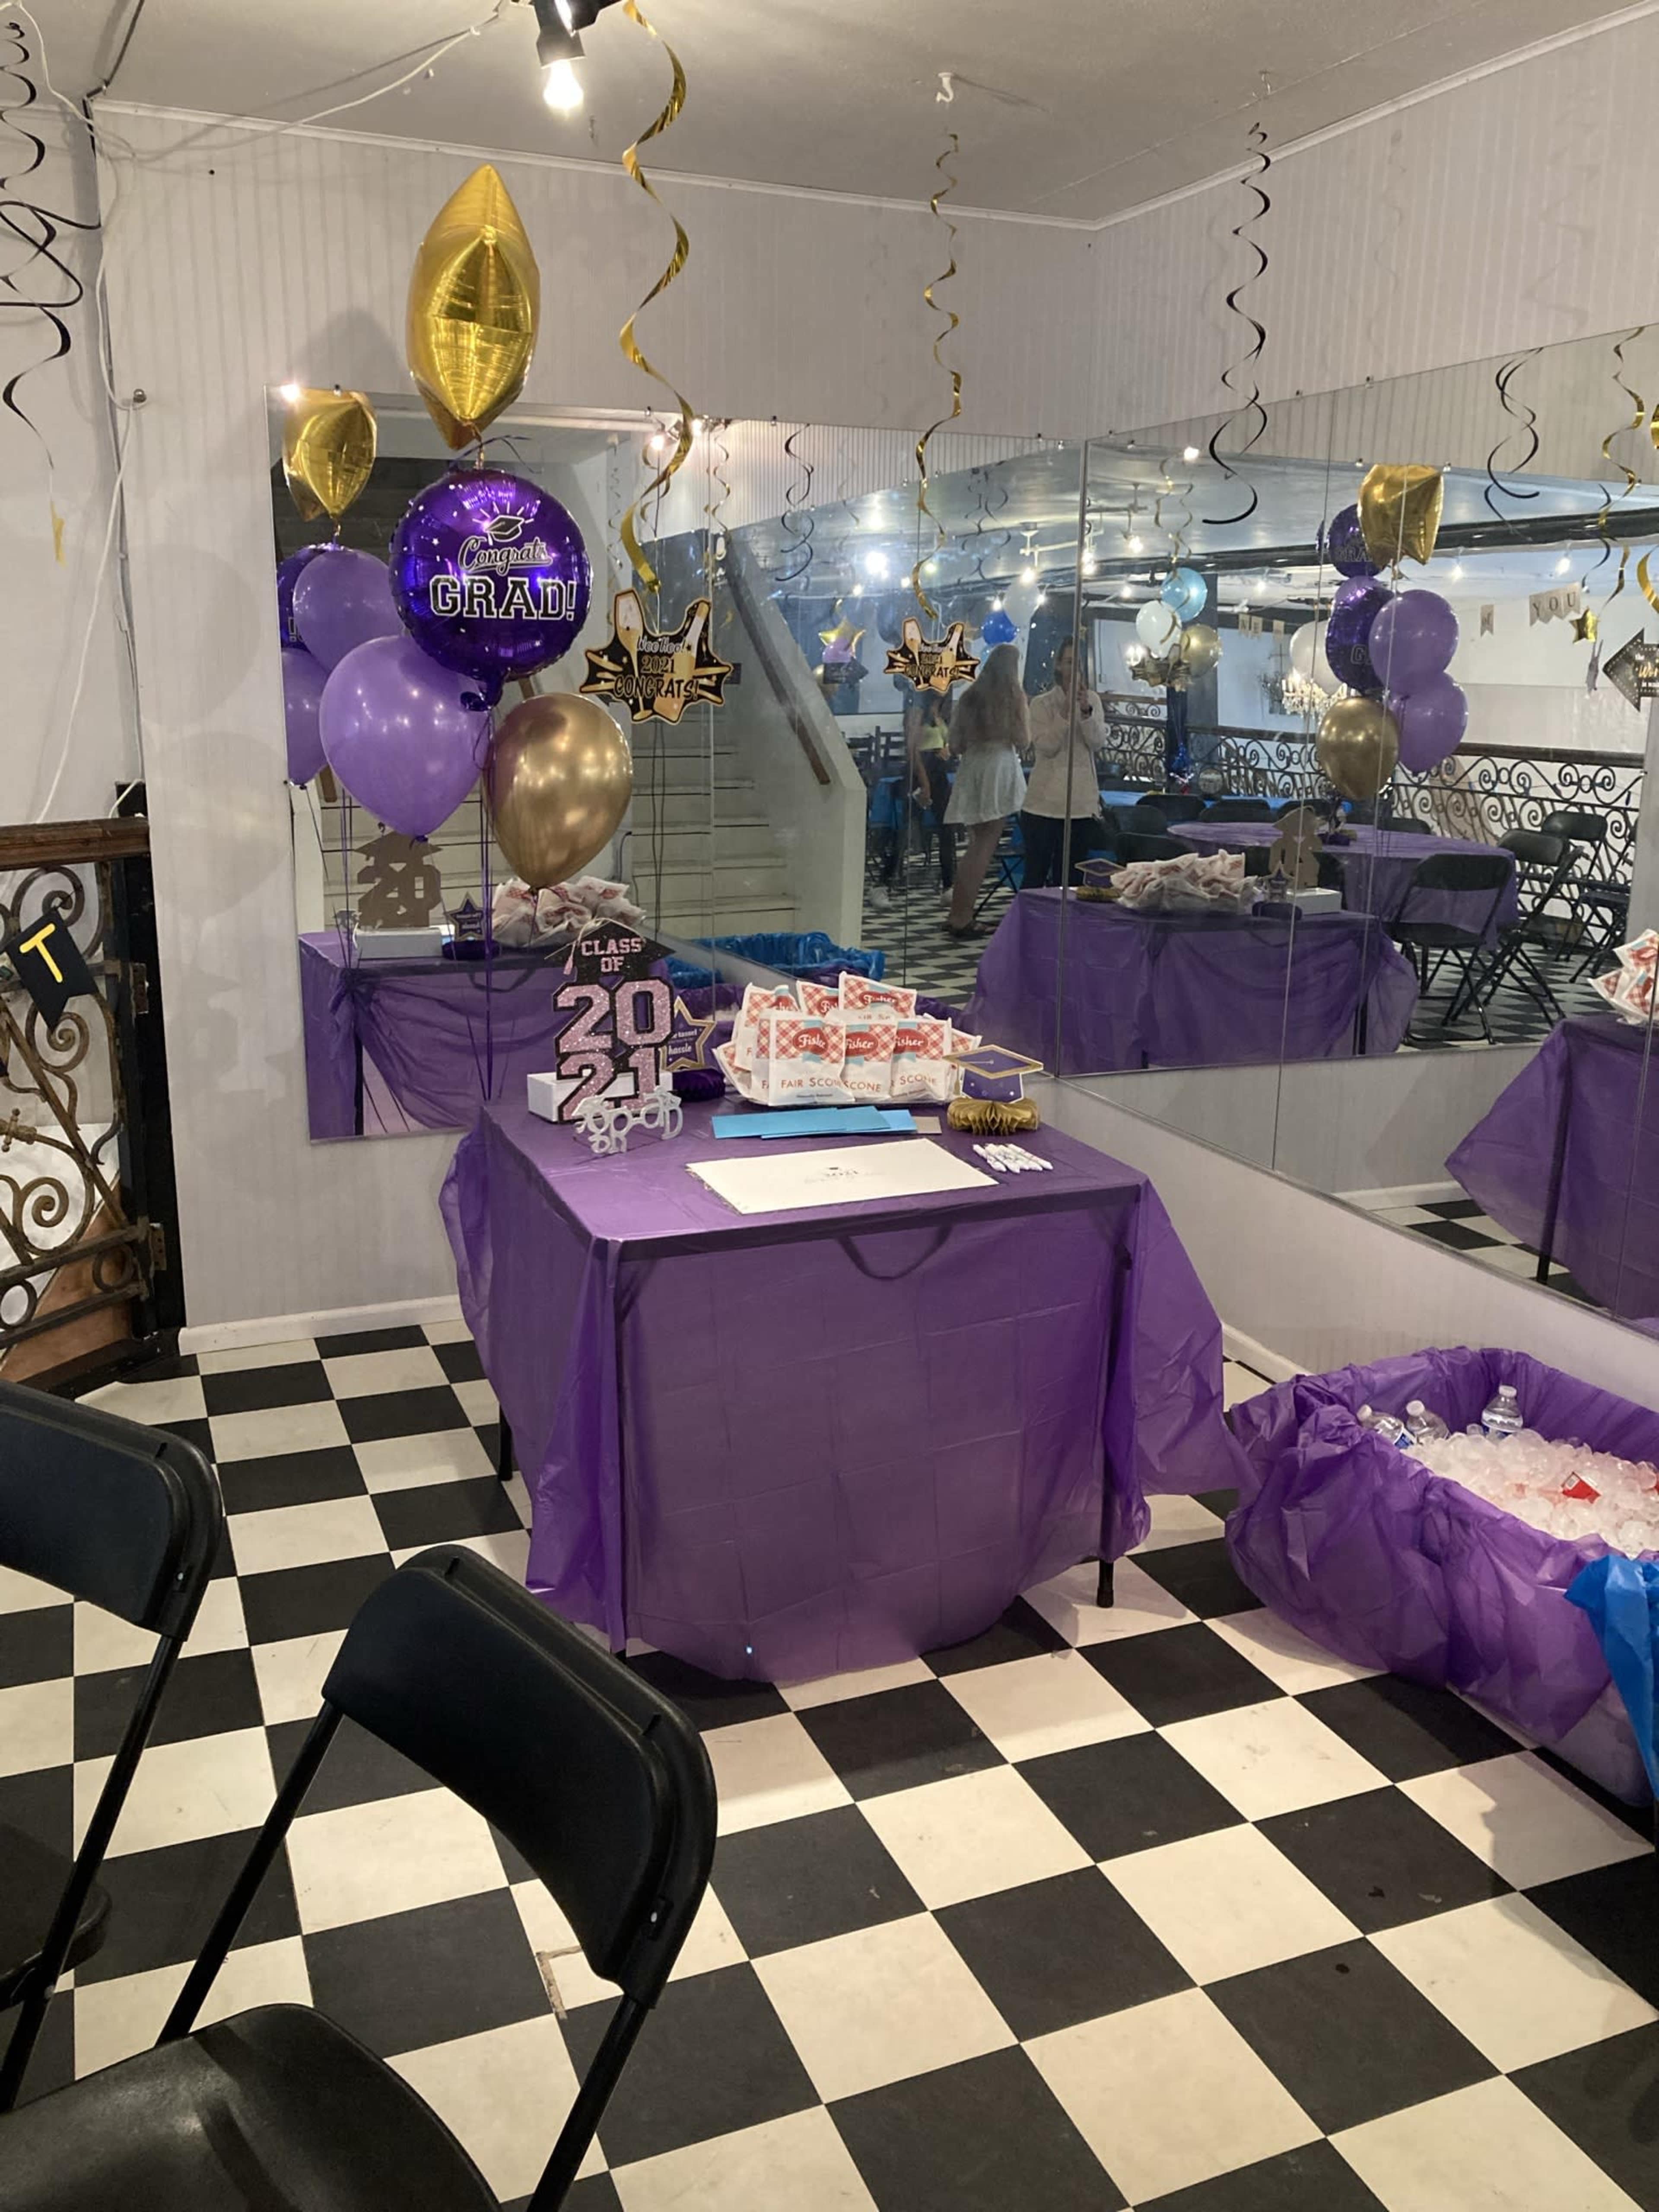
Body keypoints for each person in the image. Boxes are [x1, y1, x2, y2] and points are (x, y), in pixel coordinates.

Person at [944, 642, 1028, 938]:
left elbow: (955, 745)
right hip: (999, 764)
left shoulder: (969, 698)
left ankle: (958, 911)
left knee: (974, 845)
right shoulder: (1013, 697)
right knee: (985, 845)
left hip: (973, 765)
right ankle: (962, 917)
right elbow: (1024, 739)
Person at [1021, 637, 1106, 888]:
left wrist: (1086, 713)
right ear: (1058, 666)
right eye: (1068, 662)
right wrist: (1065, 714)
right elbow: (1046, 747)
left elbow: (1097, 742)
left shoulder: (1093, 701)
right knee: (1036, 875)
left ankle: (1067, 926)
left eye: (1077, 663)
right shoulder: (1041, 704)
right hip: (1045, 805)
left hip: (1081, 805)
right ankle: (1029, 926)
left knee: (1071, 879)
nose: (1073, 668)